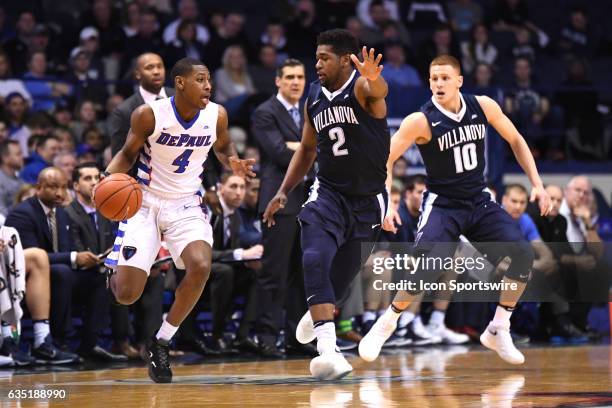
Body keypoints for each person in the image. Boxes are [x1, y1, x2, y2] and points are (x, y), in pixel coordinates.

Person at [358, 54, 551, 365]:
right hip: (443, 205)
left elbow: (516, 139)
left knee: (523, 254)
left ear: (459, 81)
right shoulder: (420, 120)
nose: (438, 84)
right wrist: (389, 203)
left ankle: (499, 328)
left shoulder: (483, 106)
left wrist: (538, 185)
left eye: (445, 78)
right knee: (427, 267)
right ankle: (387, 322)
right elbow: (386, 160)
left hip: (478, 200)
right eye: (434, 79)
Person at [101, 57, 254, 383]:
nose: (208, 86)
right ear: (180, 83)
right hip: (143, 202)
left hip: (185, 202)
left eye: (210, 79)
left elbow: (224, 148)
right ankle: (113, 269)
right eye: (201, 79)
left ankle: (161, 341)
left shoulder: (217, 115)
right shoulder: (149, 115)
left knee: (200, 265)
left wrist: (234, 164)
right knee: (126, 294)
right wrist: (106, 179)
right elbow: (128, 154)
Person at [263, 29, 390, 380]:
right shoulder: (314, 100)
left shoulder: (363, 89)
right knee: (314, 257)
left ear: (346, 60)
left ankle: (316, 312)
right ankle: (328, 351)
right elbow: (306, 150)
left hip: (368, 201)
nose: (316, 64)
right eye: (316, 57)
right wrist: (283, 191)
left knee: (339, 279)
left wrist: (375, 79)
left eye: (324, 58)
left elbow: (378, 92)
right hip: (328, 194)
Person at [107, 52, 173, 358]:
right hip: (137, 201)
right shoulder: (125, 110)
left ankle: (153, 343)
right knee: (127, 272)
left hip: (174, 198)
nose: (156, 71)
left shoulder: (177, 100)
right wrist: (127, 195)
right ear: (137, 74)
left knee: (159, 272)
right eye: (149, 67)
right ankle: (122, 340)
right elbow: (123, 156)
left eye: (160, 66)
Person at [251, 58, 315, 358]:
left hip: (309, 201)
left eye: (300, 76)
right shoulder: (265, 112)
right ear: (278, 80)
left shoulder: (310, 110)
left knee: (303, 274)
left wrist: (301, 147)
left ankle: (296, 337)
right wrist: (307, 148)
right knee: (274, 273)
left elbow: (318, 150)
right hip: (279, 201)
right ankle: (266, 336)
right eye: (289, 76)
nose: (295, 82)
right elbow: (278, 153)